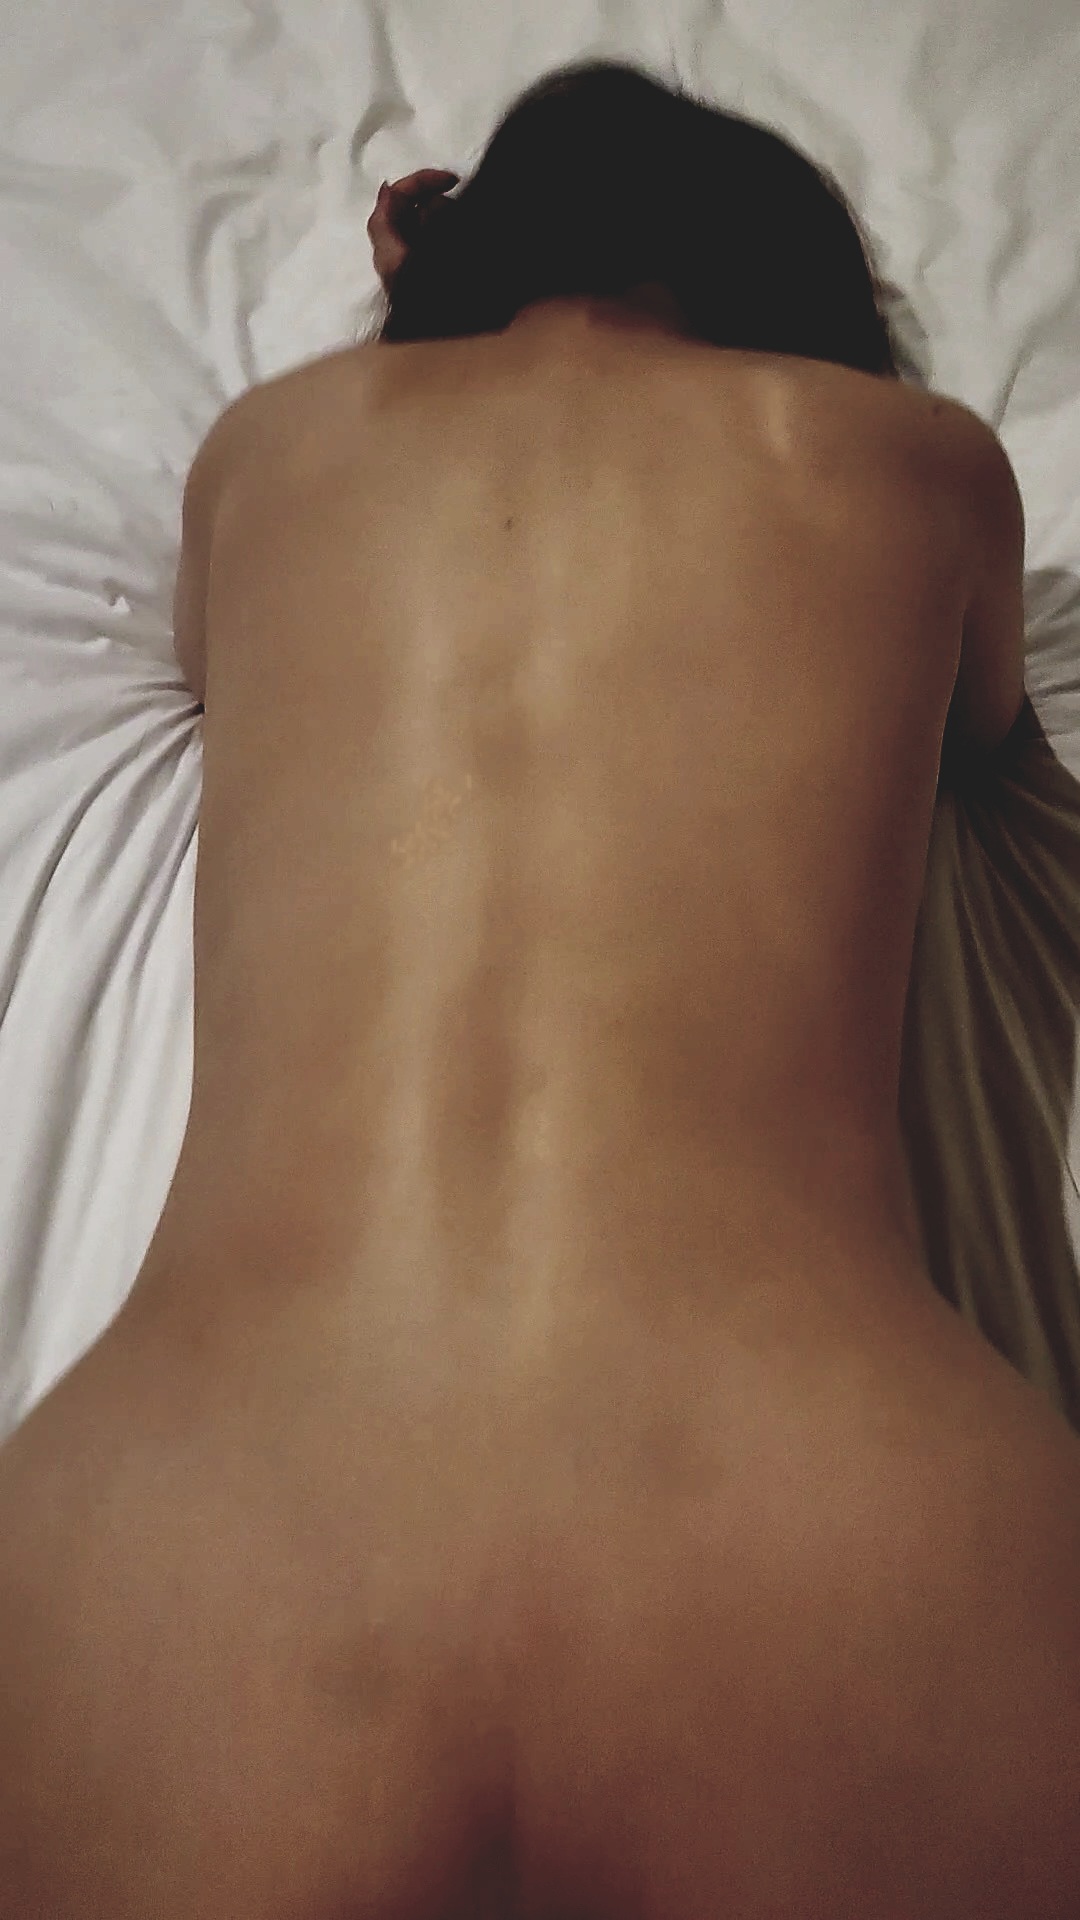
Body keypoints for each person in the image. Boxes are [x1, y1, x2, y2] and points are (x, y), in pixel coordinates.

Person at [1, 53, 1078, 1920]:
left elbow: (213, 655)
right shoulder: (912, 463)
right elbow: (987, 727)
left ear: (463, 256)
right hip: (848, 1528)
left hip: (185, 1546)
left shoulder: (270, 453)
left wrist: (425, 308)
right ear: (796, 283)